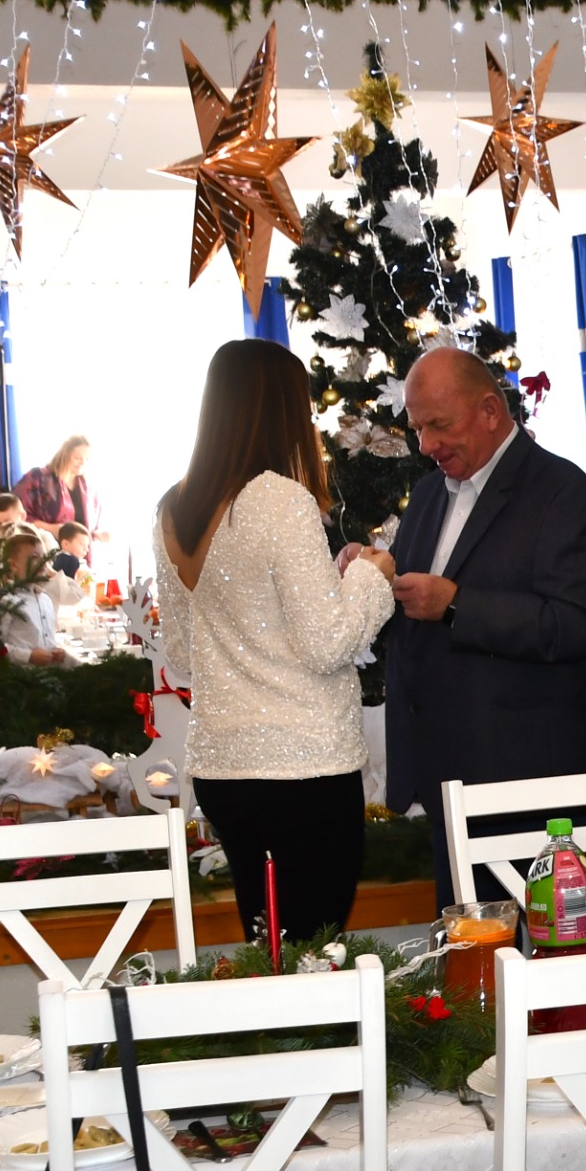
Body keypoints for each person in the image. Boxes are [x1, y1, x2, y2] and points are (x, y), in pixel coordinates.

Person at [154, 339, 396, 943]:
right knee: (314, 949)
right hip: (304, 765)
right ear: (281, 411)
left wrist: (332, 584)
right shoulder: (279, 499)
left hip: (223, 766)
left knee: (269, 945)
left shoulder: (174, 509)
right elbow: (327, 643)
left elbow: (182, 652)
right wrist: (372, 574)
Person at [382, 344, 586, 911]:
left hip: (540, 794)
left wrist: (457, 605)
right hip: (452, 787)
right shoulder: (427, 495)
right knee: (470, 960)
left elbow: (578, 625)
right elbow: (414, 613)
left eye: (439, 426)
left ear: (490, 411)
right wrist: (373, 578)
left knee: (565, 958)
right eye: (417, 430)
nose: (427, 446)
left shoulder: (564, 493)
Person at [0, 528, 65, 667]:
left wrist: (55, 650)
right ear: (13, 565)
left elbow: (46, 638)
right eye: (34, 557)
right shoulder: (6, 601)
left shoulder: (45, 600)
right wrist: (28, 656)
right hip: (19, 676)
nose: (43, 562)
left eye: (44, 557)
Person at [14, 435, 101, 541]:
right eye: (78, 458)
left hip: (79, 550)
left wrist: (96, 533)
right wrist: (50, 529)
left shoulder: (88, 488)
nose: (83, 462)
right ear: (65, 455)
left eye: (87, 459)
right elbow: (14, 515)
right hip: (45, 546)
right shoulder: (38, 477)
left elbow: (88, 526)